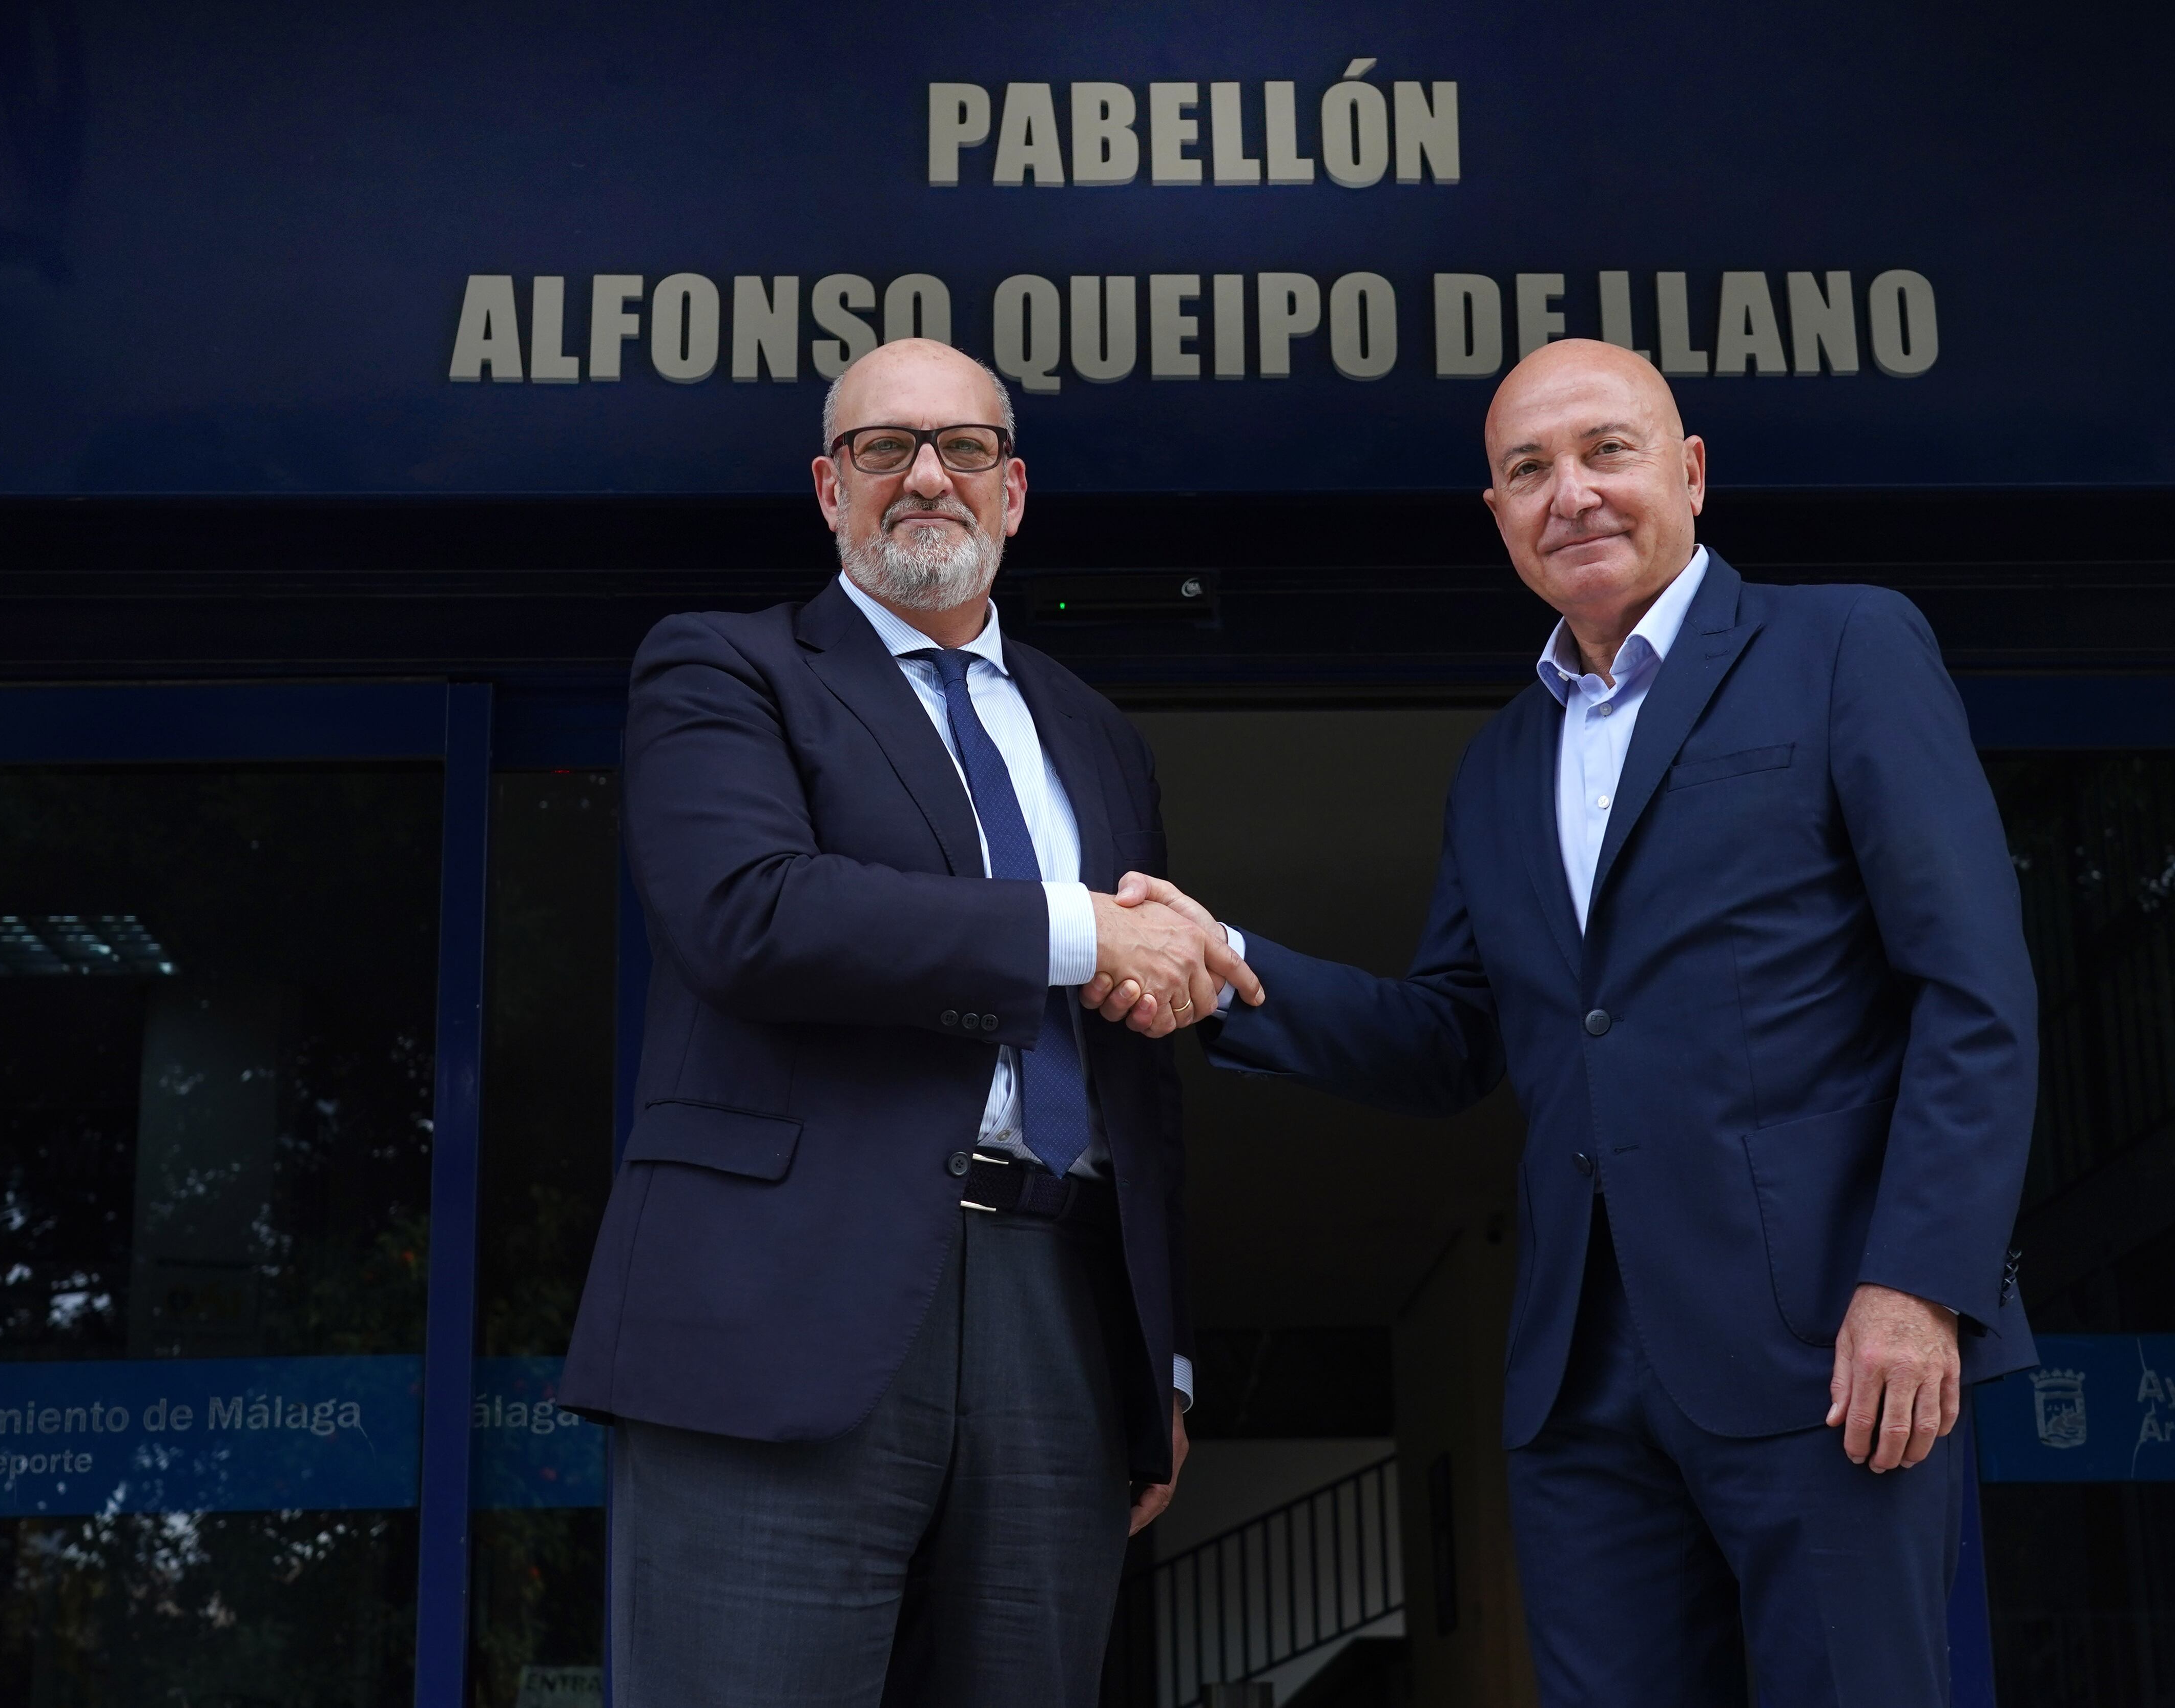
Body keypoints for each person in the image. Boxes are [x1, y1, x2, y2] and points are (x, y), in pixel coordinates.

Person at [1105, 340, 2037, 1706]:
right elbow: (1451, 1041)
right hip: (1579, 1382)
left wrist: (1921, 1284)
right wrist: (1228, 962)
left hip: (1831, 1349)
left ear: (1692, 472)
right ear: (1498, 516)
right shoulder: (1500, 763)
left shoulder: (1846, 646)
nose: (1573, 495)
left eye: (1609, 451)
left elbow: (1973, 992)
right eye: (1529, 471)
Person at [558, 336, 1261, 1706]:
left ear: (1014, 493)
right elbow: (751, 912)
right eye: (886, 448)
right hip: (777, 1304)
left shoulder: (1099, 736)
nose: (927, 477)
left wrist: (1160, 1357)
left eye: (966, 449)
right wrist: (1079, 930)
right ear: (832, 490)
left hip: (1060, 1316)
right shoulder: (722, 667)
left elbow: (1141, 1078)